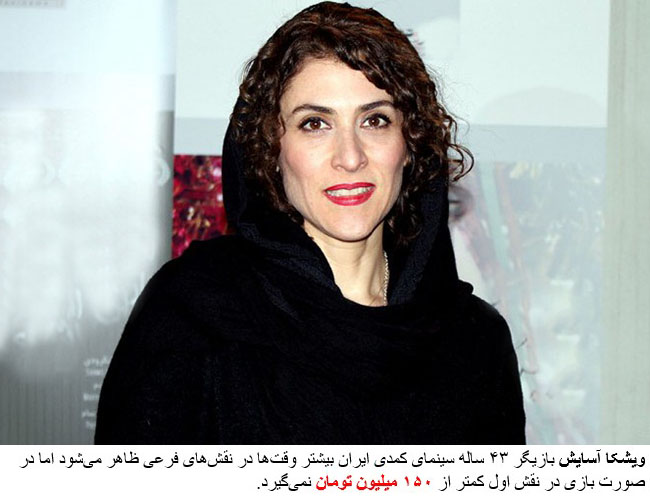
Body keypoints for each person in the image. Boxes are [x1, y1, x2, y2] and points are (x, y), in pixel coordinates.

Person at [95, 1, 525, 444]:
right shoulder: (193, 314)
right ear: (269, 150)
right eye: (315, 124)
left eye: (375, 120)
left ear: (410, 145)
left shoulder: (475, 341)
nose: (350, 157)